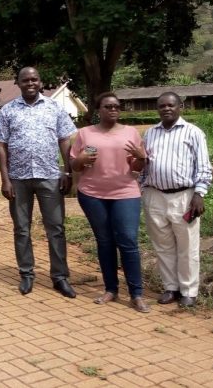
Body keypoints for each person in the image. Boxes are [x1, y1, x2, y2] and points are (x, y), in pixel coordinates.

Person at [0, 67, 78, 298]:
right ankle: (27, 274)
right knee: (21, 229)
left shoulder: (54, 108)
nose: (30, 83)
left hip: (49, 176)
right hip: (18, 179)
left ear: (40, 82)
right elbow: (1, 145)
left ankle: (60, 277)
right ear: (18, 83)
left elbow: (64, 140)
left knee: (56, 229)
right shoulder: (8, 110)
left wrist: (68, 173)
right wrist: (5, 179)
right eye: (25, 80)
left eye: (34, 79)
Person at [70, 93, 150, 313]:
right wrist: (80, 160)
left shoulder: (131, 133)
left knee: (128, 241)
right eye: (107, 106)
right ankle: (111, 289)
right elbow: (75, 165)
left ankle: (136, 293)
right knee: (104, 241)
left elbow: (136, 167)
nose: (113, 110)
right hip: (93, 194)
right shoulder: (85, 133)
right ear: (99, 110)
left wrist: (141, 158)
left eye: (116, 106)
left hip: (125, 192)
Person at [141, 92, 213, 308]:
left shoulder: (193, 132)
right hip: (155, 196)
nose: (166, 109)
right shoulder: (150, 133)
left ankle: (189, 291)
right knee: (163, 246)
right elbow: (144, 166)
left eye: (171, 105)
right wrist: (142, 189)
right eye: (162, 106)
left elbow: (203, 166)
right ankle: (171, 287)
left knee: (187, 246)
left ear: (180, 106)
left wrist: (199, 194)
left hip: (184, 196)